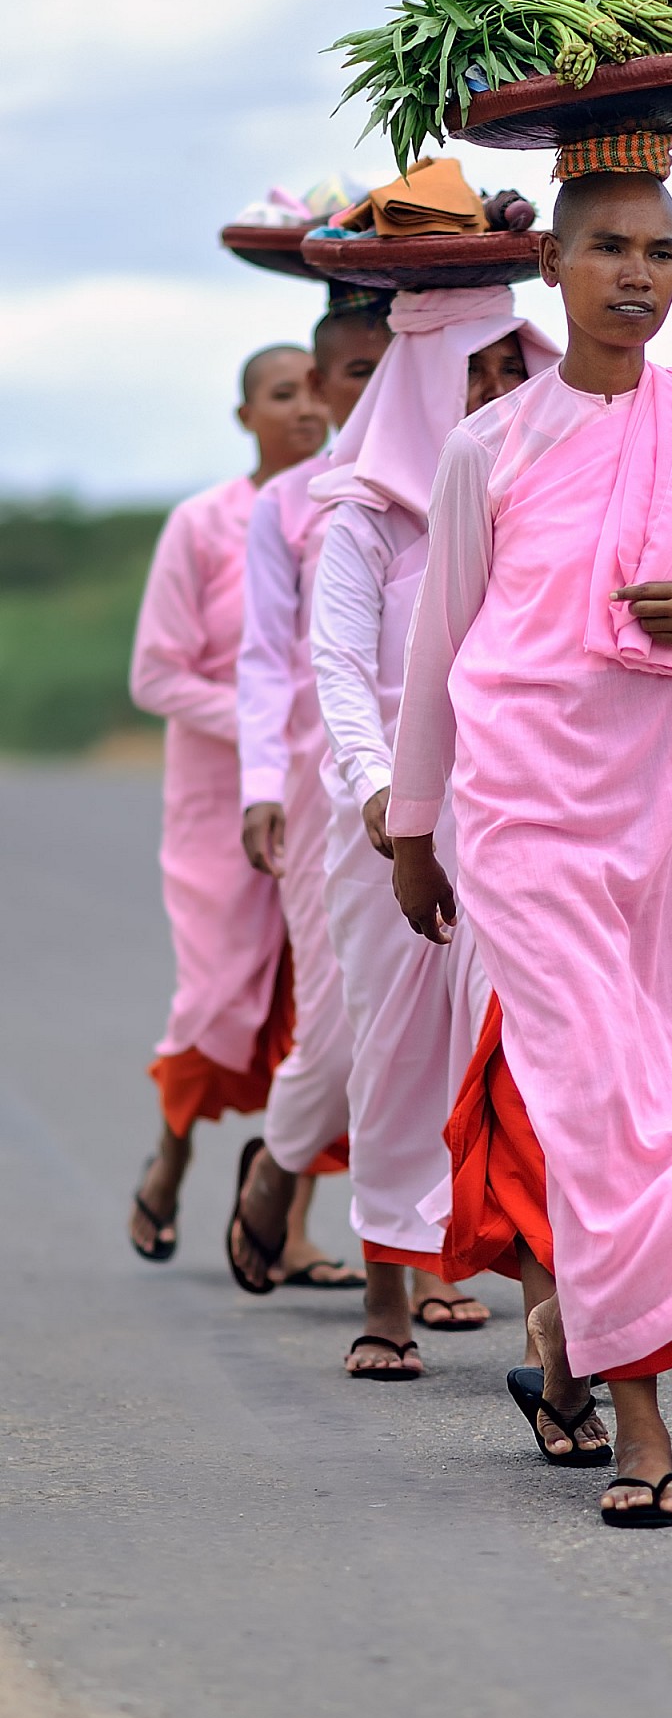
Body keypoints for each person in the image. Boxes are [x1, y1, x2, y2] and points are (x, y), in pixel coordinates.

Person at [388, 135, 672, 1524]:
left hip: (668, 823)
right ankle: (643, 1428)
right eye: (609, 247)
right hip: (521, 818)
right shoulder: (490, 444)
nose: (636, 274)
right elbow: (436, 653)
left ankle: (564, 1336)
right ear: (552, 265)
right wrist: (417, 834)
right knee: (592, 1108)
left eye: (659, 251)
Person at [307, 286, 560, 1376]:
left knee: (513, 1059)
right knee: (392, 1048)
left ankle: (549, 1320)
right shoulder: (361, 514)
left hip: (513, 813)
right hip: (383, 825)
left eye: (515, 369)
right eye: (478, 371)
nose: (502, 393)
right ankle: (385, 1296)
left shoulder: (543, 489)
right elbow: (340, 670)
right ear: (422, 383)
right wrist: (379, 793)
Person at [128, 345, 327, 1263]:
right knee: (218, 995)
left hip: (320, 786)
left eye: (315, 390)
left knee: (313, 997)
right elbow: (155, 675)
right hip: (220, 799)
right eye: (280, 395)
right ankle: (170, 1154)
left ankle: (286, 1228)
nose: (304, 409)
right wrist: (267, 725)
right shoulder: (203, 524)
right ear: (244, 415)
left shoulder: (341, 509)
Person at [227, 288, 394, 1294]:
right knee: (337, 1020)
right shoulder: (285, 506)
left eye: (398, 367)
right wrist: (259, 785)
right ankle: (283, 1156)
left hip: (445, 776)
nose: (380, 389)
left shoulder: (461, 475)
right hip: (316, 775)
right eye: (359, 372)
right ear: (326, 386)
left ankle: (420, 1263)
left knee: (448, 1022)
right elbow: (260, 661)